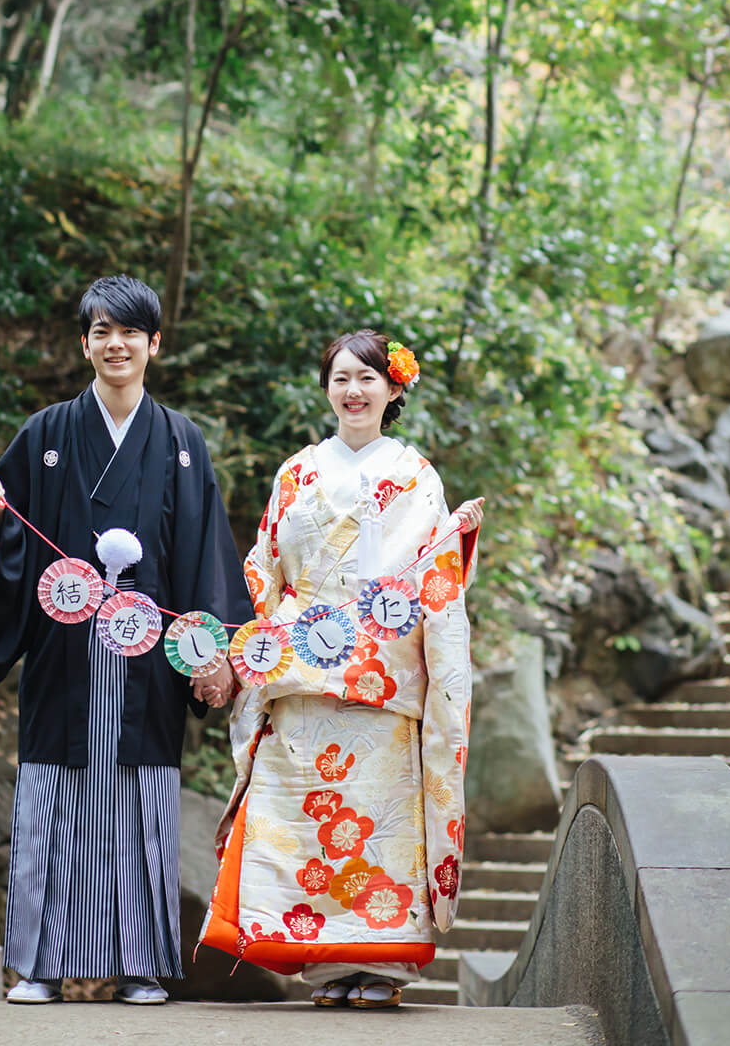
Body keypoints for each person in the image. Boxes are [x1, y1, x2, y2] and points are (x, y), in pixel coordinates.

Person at [0, 275, 250, 1006]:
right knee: (53, 797)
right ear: (84, 343)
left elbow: (202, 555)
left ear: (154, 343)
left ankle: (138, 964)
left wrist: (207, 647)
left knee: (140, 799)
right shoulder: (47, 434)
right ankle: (39, 964)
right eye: (101, 331)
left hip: (146, 655)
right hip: (64, 656)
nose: (114, 344)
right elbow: (11, 543)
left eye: (130, 332)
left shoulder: (182, 441)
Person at [200, 328, 483, 1009]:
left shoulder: (416, 475)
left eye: (367, 379)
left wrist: (457, 540)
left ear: (392, 390)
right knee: (304, 818)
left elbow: (431, 580)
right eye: (340, 379)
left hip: (383, 678)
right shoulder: (296, 472)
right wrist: (258, 652)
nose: (353, 391)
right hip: (303, 672)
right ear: (326, 389)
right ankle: (324, 964)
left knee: (377, 821)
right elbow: (265, 571)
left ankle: (382, 965)